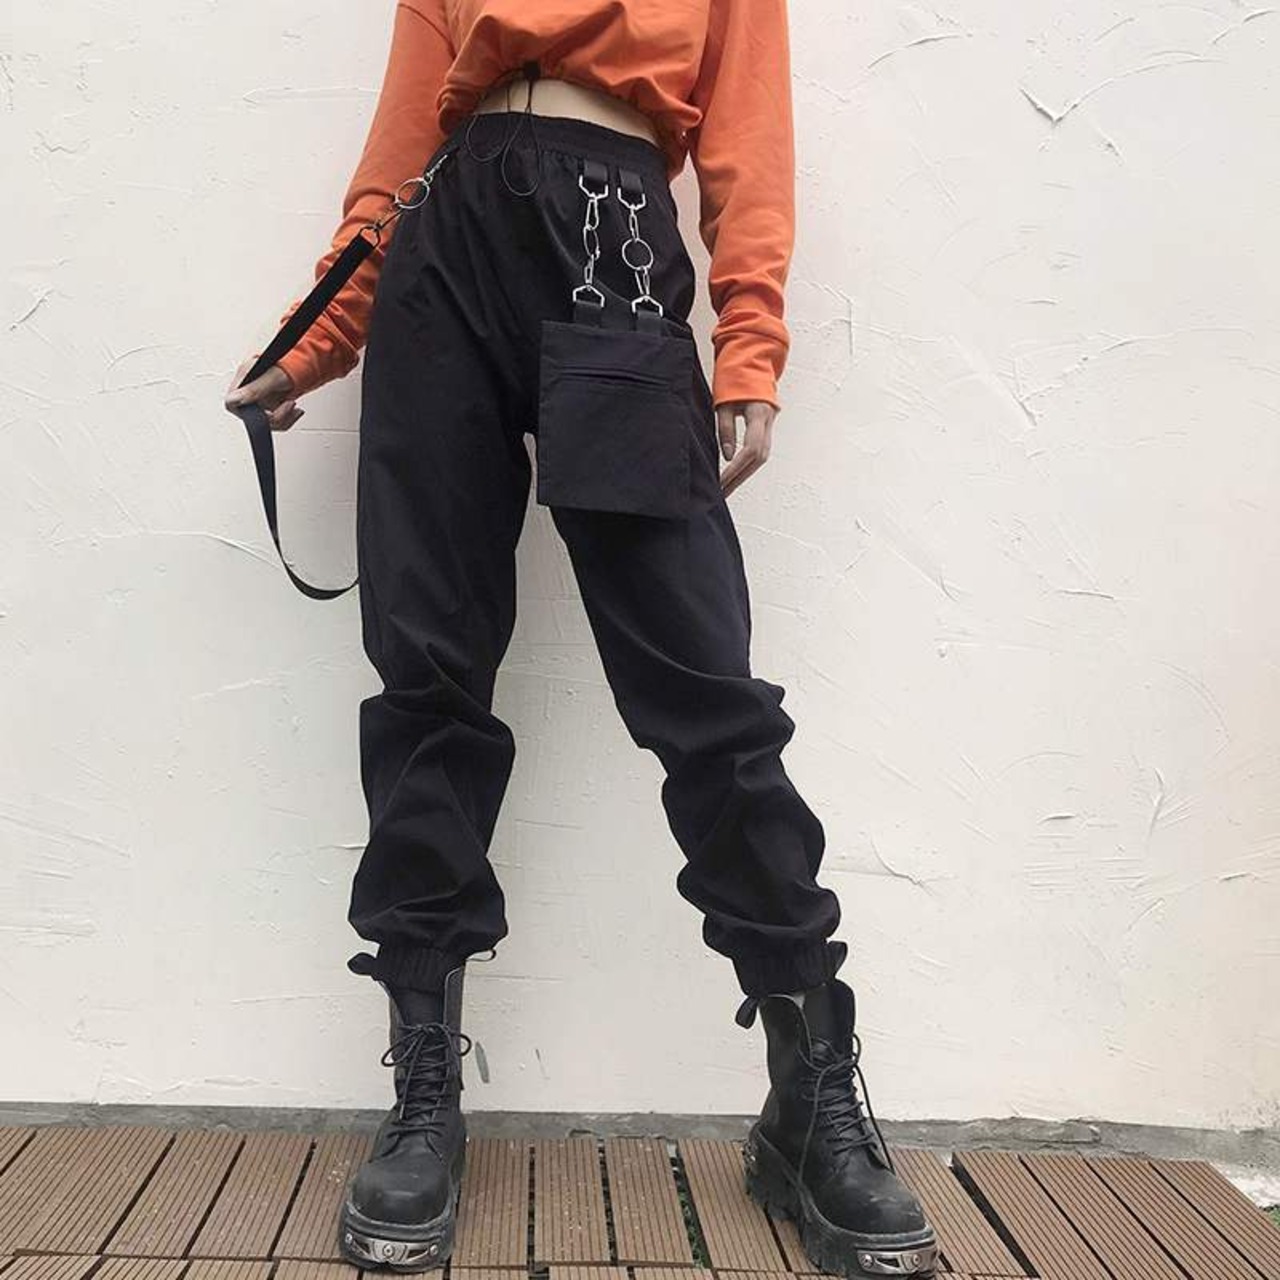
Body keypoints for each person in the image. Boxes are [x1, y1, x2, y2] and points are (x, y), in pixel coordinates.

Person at [225, 4, 938, 1277]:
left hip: (613, 242)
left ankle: (810, 1089)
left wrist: (750, 343)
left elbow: (747, 132)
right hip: (445, 255)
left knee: (704, 691)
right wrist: (318, 337)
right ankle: (425, 1092)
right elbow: (400, 152)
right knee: (428, 676)